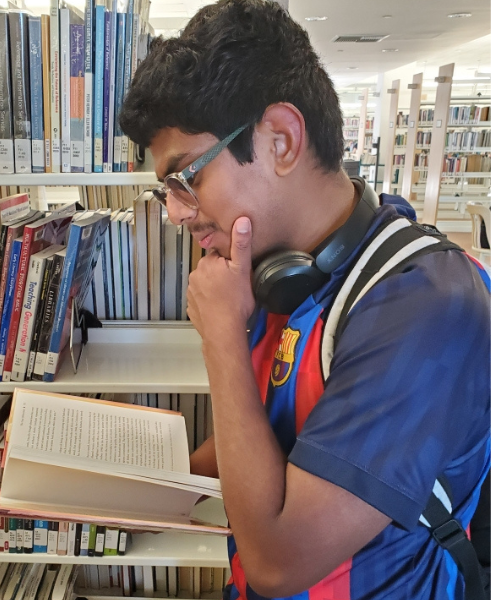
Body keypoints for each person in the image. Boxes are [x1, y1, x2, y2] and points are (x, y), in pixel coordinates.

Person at [119, 2, 491, 598]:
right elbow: (273, 428)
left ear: (282, 140)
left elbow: (277, 564)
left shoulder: (425, 308)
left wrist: (221, 341)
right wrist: (145, 486)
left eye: (186, 178)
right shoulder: (283, 272)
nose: (175, 213)